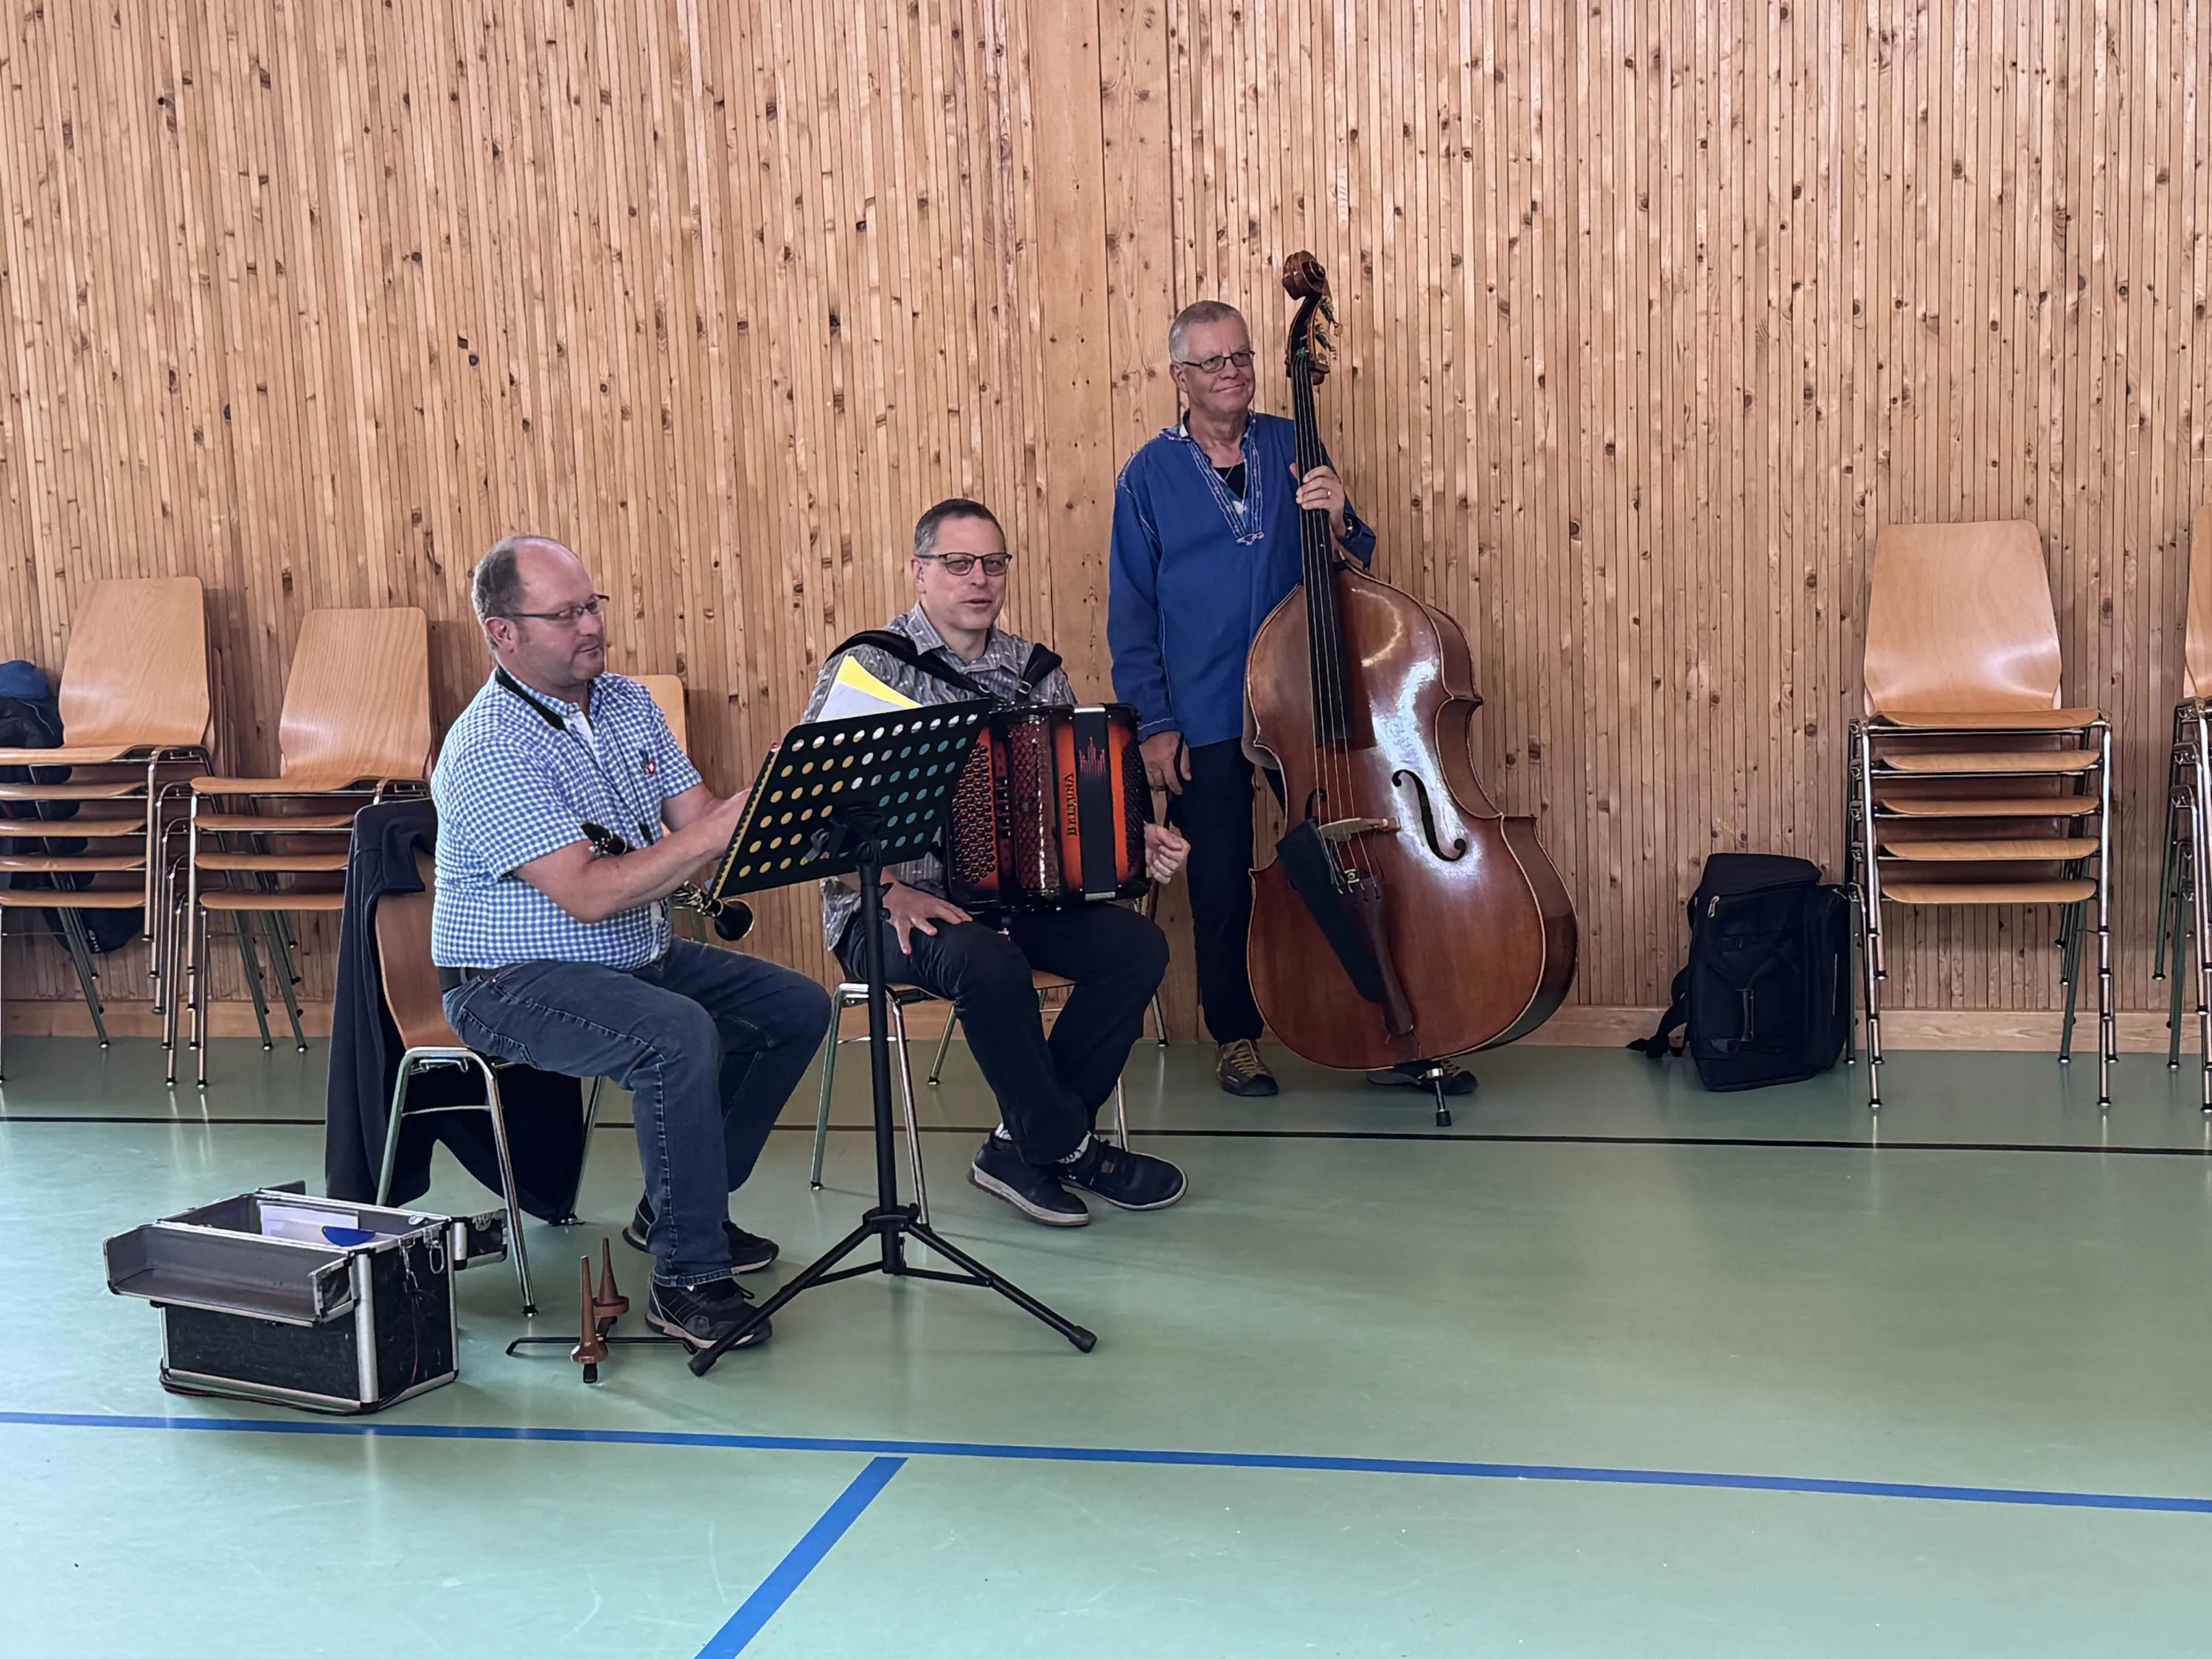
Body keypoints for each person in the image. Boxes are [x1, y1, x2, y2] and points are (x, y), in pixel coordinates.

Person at [432, 535, 832, 1354]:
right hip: (508, 979)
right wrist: (723, 824)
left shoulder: (626, 705)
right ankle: (688, 1280)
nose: (590, 627)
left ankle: (678, 1208)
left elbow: (699, 824)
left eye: (593, 606)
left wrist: (802, 789)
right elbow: (587, 893)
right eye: (565, 614)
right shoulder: (488, 746)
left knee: (794, 1007)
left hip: (629, 955)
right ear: (501, 634)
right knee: (675, 1033)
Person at [1108, 299, 1476, 1100]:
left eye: (1240, 356)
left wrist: (1343, 516)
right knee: (1218, 881)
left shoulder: (1291, 444)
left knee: (1352, 864)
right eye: (1212, 362)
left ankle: (1389, 1028)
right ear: (1180, 377)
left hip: (1306, 703)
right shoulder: (1146, 475)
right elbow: (1132, 612)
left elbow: (1352, 559)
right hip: (1202, 711)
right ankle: (1236, 1036)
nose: (1232, 371)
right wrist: (1156, 725)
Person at [803, 497, 1194, 1228]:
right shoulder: (872, 668)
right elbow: (820, 814)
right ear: (920, 573)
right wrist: (892, 893)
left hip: (1018, 902)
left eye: (992, 563)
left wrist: (1131, 836)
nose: (978, 578)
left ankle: (1021, 1145)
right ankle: (1068, 1146)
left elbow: (1077, 793)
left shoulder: (1034, 672)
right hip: (883, 909)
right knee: (985, 962)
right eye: (958, 563)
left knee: (1136, 947)